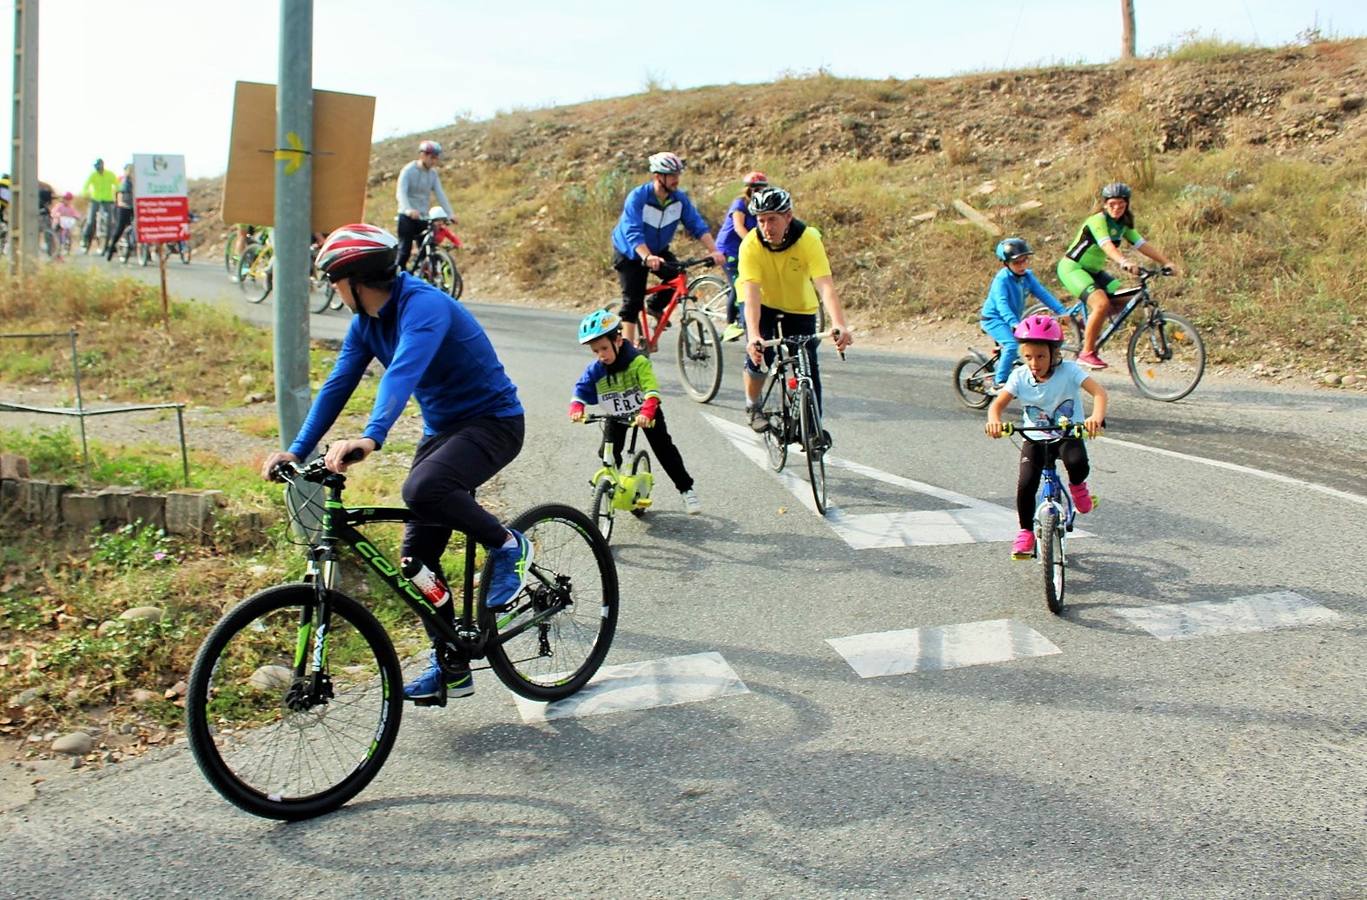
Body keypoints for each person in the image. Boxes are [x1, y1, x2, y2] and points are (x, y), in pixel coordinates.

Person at [259, 223, 530, 704]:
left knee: (422, 490)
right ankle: (451, 665)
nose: (333, 291)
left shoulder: (423, 306)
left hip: (494, 422)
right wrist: (297, 450)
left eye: (334, 283)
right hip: (443, 431)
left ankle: (507, 544)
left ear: (356, 280)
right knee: (415, 562)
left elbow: (402, 373)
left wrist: (371, 436)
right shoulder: (366, 324)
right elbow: (339, 384)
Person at [984, 315, 1108, 559]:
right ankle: (1025, 532)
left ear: (1054, 354)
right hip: (1034, 438)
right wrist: (994, 421)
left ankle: (1078, 488)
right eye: (1028, 356)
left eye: (1040, 356)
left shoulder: (1070, 371)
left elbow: (1100, 394)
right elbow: (996, 406)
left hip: (1067, 433)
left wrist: (1095, 417)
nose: (1034, 362)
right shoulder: (1019, 376)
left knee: (1076, 463)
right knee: (1025, 484)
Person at [739, 186, 853, 433]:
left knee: (808, 364)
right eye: (761, 221)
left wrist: (839, 323)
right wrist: (754, 335)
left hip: (799, 305)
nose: (767, 227)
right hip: (763, 303)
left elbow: (825, 286)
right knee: (761, 356)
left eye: (772, 219)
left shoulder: (808, 239)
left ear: (788, 217)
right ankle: (753, 405)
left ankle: (813, 429)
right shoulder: (750, 245)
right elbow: (751, 295)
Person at [568, 309, 701, 515]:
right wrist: (577, 407)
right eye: (596, 351)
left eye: (604, 348)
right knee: (607, 452)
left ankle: (686, 490)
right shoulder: (597, 368)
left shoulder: (638, 362)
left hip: (646, 412)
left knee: (664, 449)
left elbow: (652, 390)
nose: (601, 355)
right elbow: (581, 388)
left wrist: (647, 412)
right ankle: (614, 485)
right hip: (617, 414)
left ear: (618, 340)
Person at [1057, 182, 1181, 369]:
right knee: (1101, 304)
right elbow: (1107, 246)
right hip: (1073, 268)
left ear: (1127, 205)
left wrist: (1167, 262)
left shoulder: (1123, 224)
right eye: (1112, 204)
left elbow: (1142, 245)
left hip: (1093, 272)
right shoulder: (1097, 220)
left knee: (1126, 299)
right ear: (1105, 204)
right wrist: (1123, 262)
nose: (1117, 208)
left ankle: (1086, 324)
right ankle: (1086, 353)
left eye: (1121, 205)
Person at [609, 151, 726, 347]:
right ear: (658, 176)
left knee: (678, 277)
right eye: (672, 175)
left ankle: (655, 305)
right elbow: (632, 231)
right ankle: (626, 354)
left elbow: (696, 225)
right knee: (633, 301)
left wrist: (714, 251)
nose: (676, 180)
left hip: (657, 249)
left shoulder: (678, 199)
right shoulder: (638, 197)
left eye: (677, 175)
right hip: (630, 251)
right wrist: (646, 257)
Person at [979, 237, 1069, 392]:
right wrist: (1014, 323)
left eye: (1025, 260)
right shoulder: (1001, 280)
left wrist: (1061, 311)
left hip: (1014, 320)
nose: (1022, 265)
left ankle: (1002, 366)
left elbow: (1043, 294)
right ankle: (998, 382)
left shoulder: (1027, 277)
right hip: (994, 319)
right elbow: (1002, 305)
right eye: (1017, 263)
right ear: (1006, 264)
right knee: (1012, 345)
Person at [713, 171, 769, 342]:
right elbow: (738, 227)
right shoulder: (740, 204)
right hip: (730, 250)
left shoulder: (762, 206)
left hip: (746, 250)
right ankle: (731, 324)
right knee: (739, 284)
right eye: (756, 188)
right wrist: (754, 244)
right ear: (749, 189)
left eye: (763, 188)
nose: (759, 191)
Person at [395, 139, 453, 271]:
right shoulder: (408, 171)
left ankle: (427, 278)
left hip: (423, 217)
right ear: (423, 155)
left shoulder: (433, 174)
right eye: (432, 157)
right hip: (407, 216)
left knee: (428, 250)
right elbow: (401, 192)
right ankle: (398, 279)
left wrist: (450, 214)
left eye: (436, 158)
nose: (434, 161)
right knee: (405, 251)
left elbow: (440, 194)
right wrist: (408, 209)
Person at [81, 159, 119, 253]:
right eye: (96, 166)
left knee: (111, 222)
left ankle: (109, 243)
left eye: (99, 165)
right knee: (90, 221)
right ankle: (85, 239)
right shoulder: (93, 175)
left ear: (102, 165)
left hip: (108, 201)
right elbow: (85, 186)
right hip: (95, 200)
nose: (98, 167)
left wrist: (119, 191)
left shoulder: (110, 174)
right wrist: (86, 193)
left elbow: (117, 184)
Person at [104, 164, 135, 261]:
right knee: (120, 228)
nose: (131, 172)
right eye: (130, 170)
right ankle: (111, 248)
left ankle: (145, 253)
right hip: (123, 207)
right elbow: (120, 192)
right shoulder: (123, 180)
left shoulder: (138, 181)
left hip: (134, 207)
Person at [51, 191, 81, 257]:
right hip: (58, 224)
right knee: (58, 234)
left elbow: (75, 213)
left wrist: (77, 216)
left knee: (68, 233)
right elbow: (54, 212)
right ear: (63, 199)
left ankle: (66, 247)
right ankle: (57, 248)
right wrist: (57, 215)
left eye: (69, 200)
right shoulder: (59, 206)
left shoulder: (70, 207)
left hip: (66, 224)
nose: (67, 201)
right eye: (66, 199)